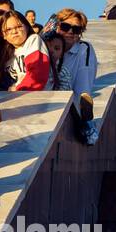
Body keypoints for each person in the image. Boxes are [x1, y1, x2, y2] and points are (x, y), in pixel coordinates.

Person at [48, 7, 99, 142]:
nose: (70, 32)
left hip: (70, 98)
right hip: (45, 94)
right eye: (65, 27)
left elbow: (83, 81)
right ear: (57, 27)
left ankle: (83, 113)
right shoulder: (46, 45)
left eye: (76, 30)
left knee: (82, 96)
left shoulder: (83, 49)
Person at [2, 11, 51, 91]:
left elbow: (37, 76)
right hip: (14, 100)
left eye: (19, 27)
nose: (14, 32)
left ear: (27, 27)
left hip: (37, 99)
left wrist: (17, 89)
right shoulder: (6, 55)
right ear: (3, 35)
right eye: (9, 29)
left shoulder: (33, 40)